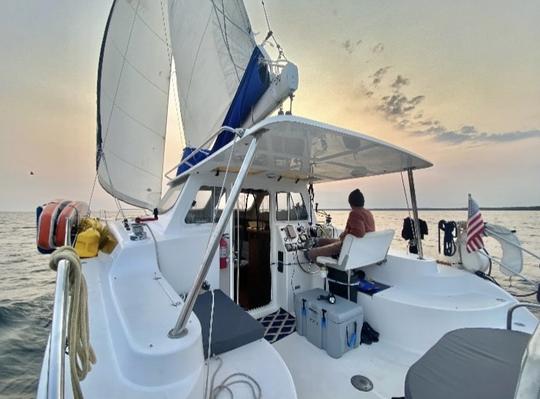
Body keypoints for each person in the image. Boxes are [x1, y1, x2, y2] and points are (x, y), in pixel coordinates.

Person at [307, 189, 375, 261]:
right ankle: (316, 242)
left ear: (351, 202)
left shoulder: (355, 213)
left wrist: (345, 234)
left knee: (311, 253)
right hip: (358, 246)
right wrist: (345, 233)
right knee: (320, 241)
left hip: (349, 247)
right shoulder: (368, 213)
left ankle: (325, 270)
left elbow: (359, 232)